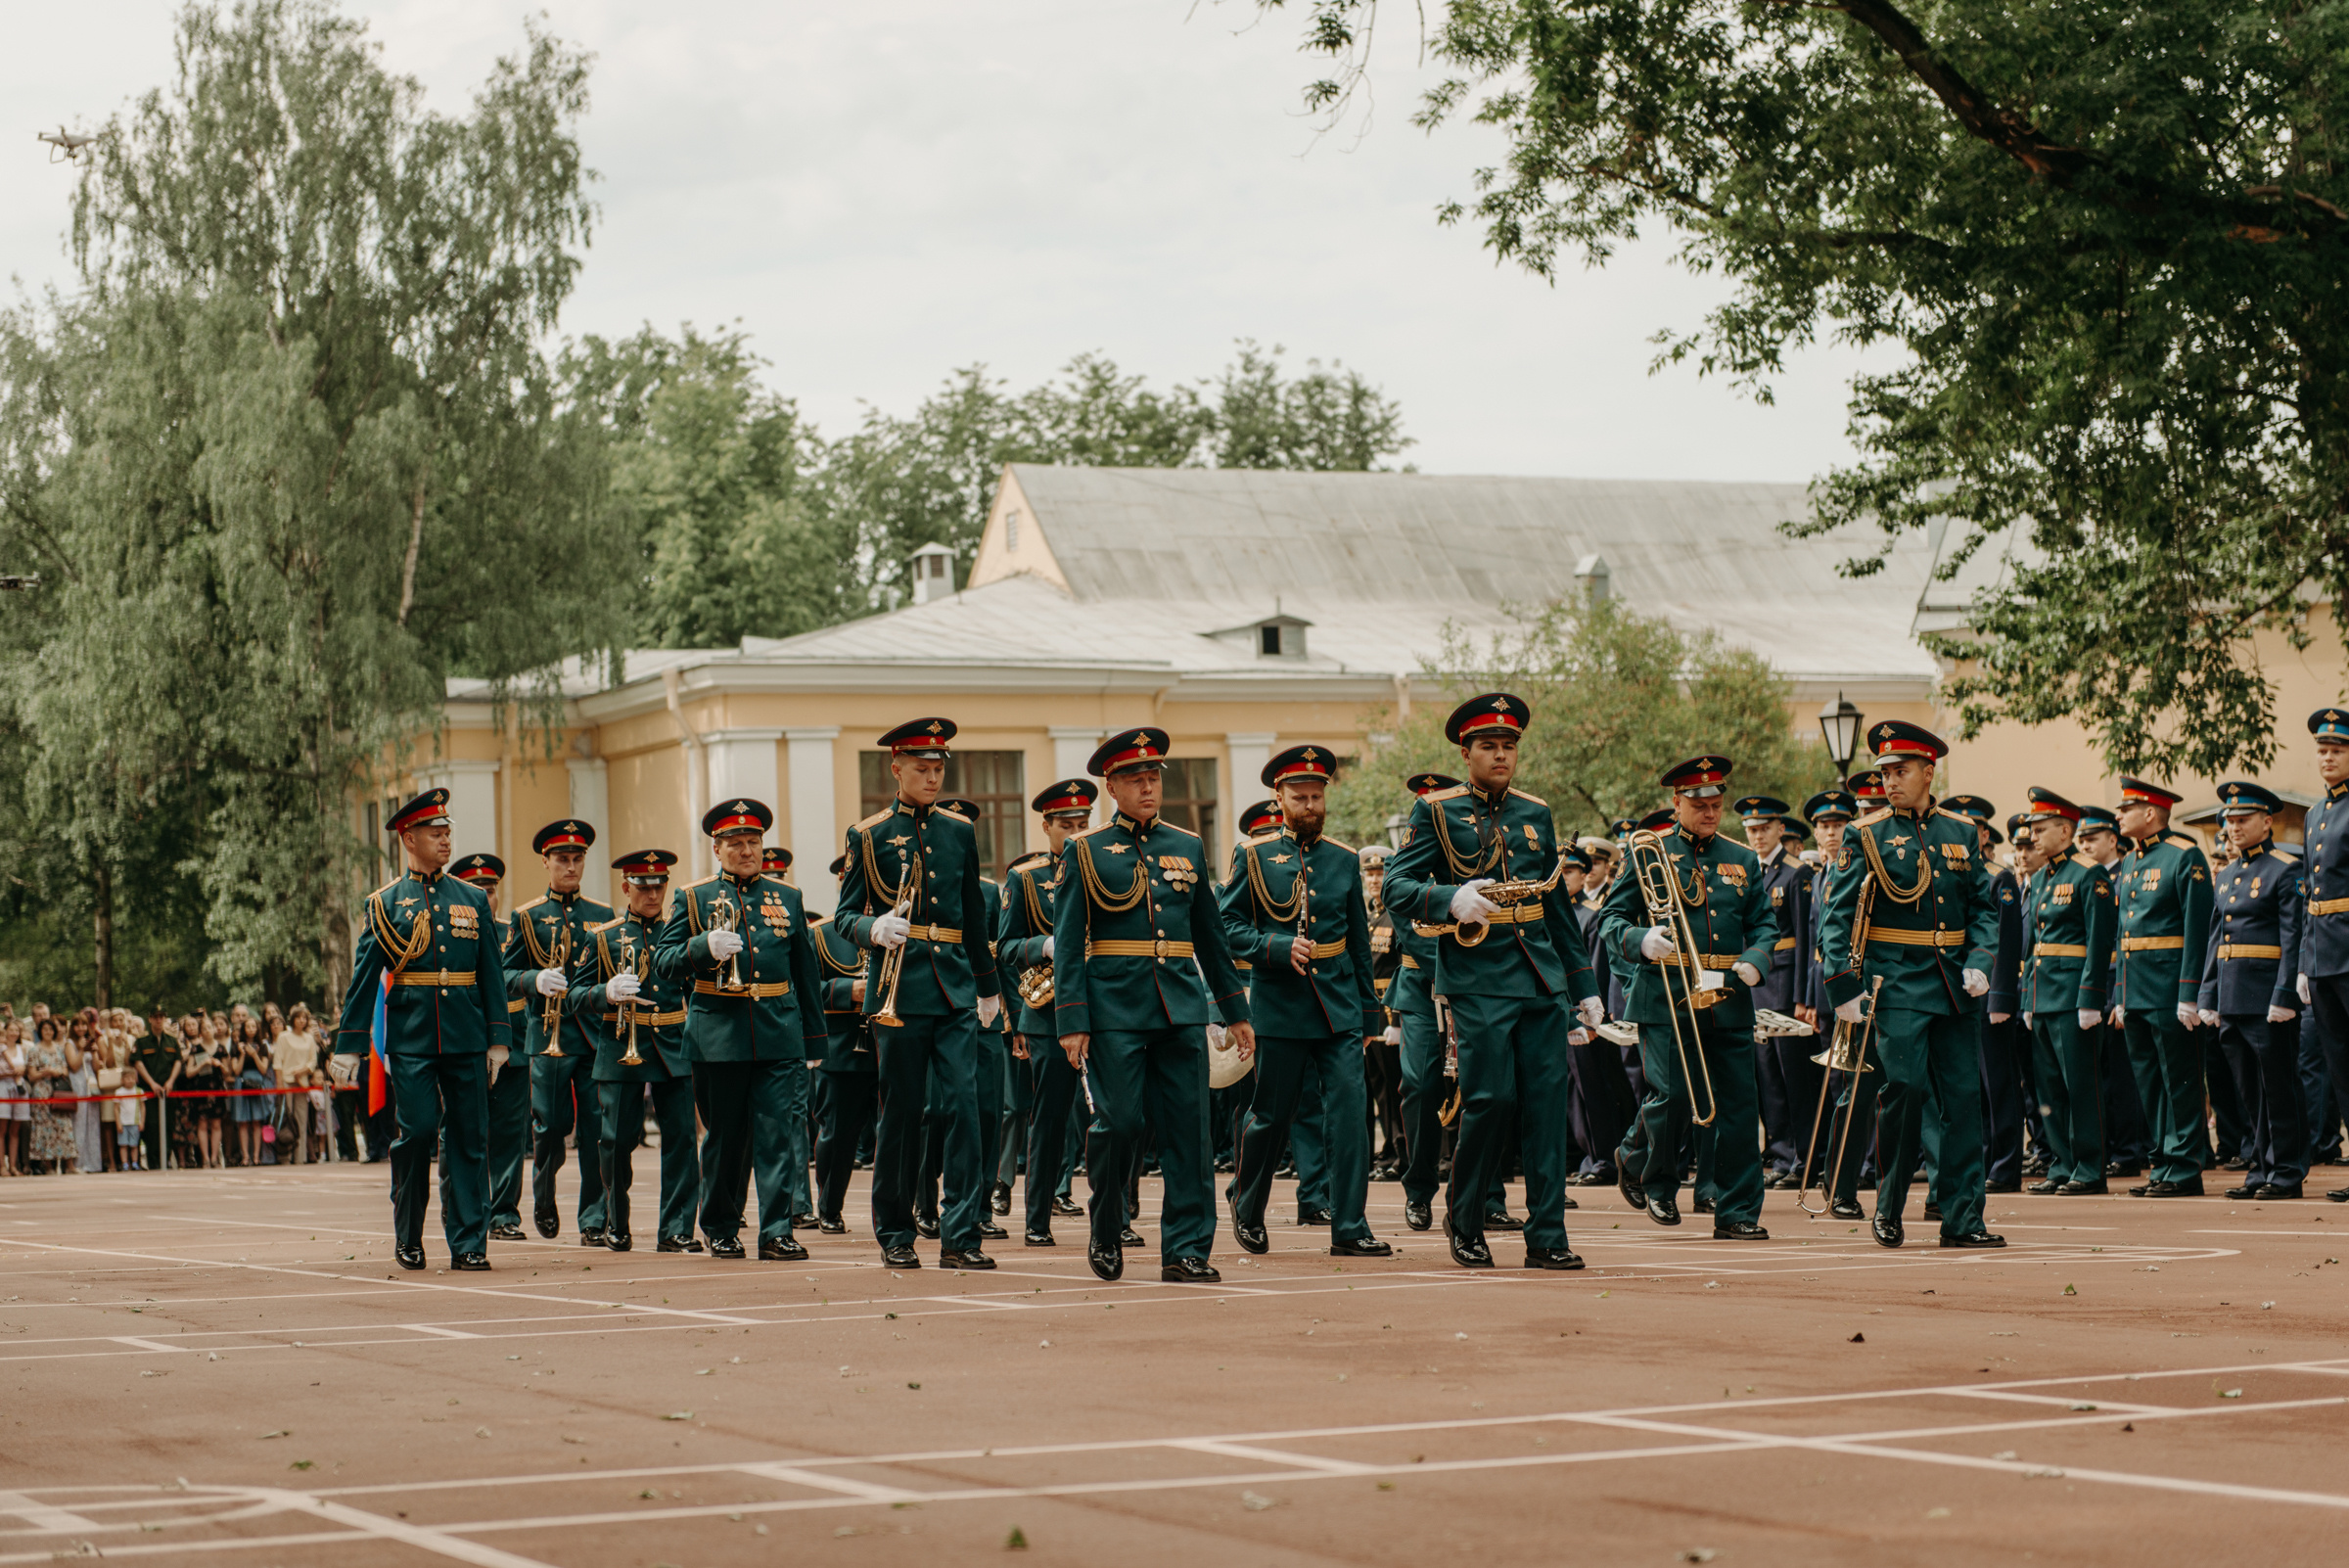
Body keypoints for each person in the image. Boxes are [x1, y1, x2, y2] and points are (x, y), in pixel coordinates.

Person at [1387, 694, 1605, 1269]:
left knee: (1546, 1106)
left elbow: (1555, 905)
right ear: (1467, 754)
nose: (1501, 755)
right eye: (1489, 746)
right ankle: (1465, 1220)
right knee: (1490, 1100)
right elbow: (1395, 887)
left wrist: (1583, 985)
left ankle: (1548, 1236)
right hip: (1477, 974)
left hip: (1540, 975)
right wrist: (1448, 897)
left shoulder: (1536, 812)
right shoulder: (1435, 810)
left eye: (1509, 746)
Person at [1052, 725, 1255, 1283]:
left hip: (1181, 1008)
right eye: (1135, 780)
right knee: (1118, 1124)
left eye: (1153, 778)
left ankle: (1186, 1251)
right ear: (1112, 787)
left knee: (1189, 1133)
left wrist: (1235, 1012)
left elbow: (1210, 936)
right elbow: (1068, 943)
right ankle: (1106, 1224)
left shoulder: (1186, 845)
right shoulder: (1085, 850)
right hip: (1114, 1009)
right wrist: (1072, 1020)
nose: (1147, 788)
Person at [1816, 722, 2004, 1249]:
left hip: (1955, 984)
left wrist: (1981, 959)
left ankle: (1963, 1220)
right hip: (1896, 983)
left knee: (1963, 1101)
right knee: (1903, 1093)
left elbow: (1983, 907)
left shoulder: (1962, 831)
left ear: (1928, 772)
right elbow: (1837, 917)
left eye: (1901, 771)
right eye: (1885, 773)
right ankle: (1890, 1207)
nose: (1891, 781)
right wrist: (1842, 987)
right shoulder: (1866, 833)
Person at [835, 721, 1004, 1270]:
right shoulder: (868, 834)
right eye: (922, 769)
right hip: (899, 989)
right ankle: (896, 1232)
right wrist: (873, 928)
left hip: (954, 988)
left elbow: (973, 914)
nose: (933, 778)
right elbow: (843, 916)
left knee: (964, 1110)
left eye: (938, 769)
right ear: (896, 768)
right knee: (904, 1114)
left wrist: (988, 987)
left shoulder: (959, 831)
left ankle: (961, 1236)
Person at [1220, 745, 1390, 1259]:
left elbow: (1358, 942)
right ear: (1280, 797)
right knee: (1271, 1116)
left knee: (1350, 1115)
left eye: (1317, 797)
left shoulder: (1342, 858)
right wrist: (1273, 946)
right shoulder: (1253, 855)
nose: (1311, 806)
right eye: (1301, 797)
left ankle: (1350, 1225)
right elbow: (1228, 926)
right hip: (1281, 1006)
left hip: (1339, 1008)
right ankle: (1247, 1203)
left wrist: (1369, 1014)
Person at [332, 787, 510, 1271]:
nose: (446, 840)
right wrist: (349, 1046)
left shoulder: (472, 898)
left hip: (466, 1033)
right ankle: (409, 1234)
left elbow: (491, 973)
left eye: (447, 831)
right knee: (418, 1134)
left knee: (469, 1138)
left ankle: (469, 1242)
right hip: (412, 1035)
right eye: (435, 833)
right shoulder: (385, 904)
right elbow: (364, 978)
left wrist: (498, 1037)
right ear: (409, 838)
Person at [1600, 754, 1774, 1243]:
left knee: (1738, 1107)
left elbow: (1764, 922)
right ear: (1677, 803)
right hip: (1666, 993)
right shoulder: (1648, 853)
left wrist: (1757, 958)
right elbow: (1611, 919)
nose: (1711, 813)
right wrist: (1640, 940)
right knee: (1674, 1095)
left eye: (1717, 804)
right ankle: (1651, 1173)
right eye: (1700, 805)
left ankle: (1737, 1210)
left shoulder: (1742, 858)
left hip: (1728, 995)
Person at [654, 798, 827, 1260]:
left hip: (778, 1031)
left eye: (753, 842)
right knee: (725, 1139)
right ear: (717, 849)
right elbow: (663, 962)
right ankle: (721, 1226)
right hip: (718, 1037)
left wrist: (813, 1039)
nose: (747, 851)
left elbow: (805, 971)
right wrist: (702, 947)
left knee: (777, 1137)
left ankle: (776, 1231)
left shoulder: (787, 897)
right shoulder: (694, 897)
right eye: (736, 843)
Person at [568, 849, 696, 1252]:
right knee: (615, 1142)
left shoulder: (679, 935)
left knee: (681, 1141)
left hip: (673, 1045)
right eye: (644, 887)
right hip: (622, 1045)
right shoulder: (603, 937)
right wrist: (604, 992)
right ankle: (615, 1220)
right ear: (626, 888)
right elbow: (574, 996)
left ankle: (676, 1230)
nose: (653, 894)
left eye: (659, 886)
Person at [997, 778, 1096, 1247]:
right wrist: (1044, 945)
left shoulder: (1108, 865)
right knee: (1050, 1118)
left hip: (1107, 1004)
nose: (1076, 833)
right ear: (1047, 827)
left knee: (1117, 1117)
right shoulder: (1026, 878)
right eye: (1066, 826)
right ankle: (1038, 1219)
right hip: (1048, 1011)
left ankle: (1118, 1216)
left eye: (1083, 824)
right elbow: (1006, 947)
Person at [506, 822, 615, 1245]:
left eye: (577, 859)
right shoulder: (528, 916)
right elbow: (504, 975)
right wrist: (533, 980)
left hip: (593, 1035)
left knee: (595, 1130)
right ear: (546, 862)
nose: (571, 867)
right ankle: (544, 1193)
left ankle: (593, 1218)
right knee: (551, 1126)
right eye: (562, 859)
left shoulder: (603, 915)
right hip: (549, 1033)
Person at [2109, 778, 2216, 1196]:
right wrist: (2120, 995)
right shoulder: (2130, 863)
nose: (2119, 815)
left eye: (2126, 809)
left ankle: (2185, 1167)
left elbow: (2197, 929)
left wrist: (2190, 993)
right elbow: (2124, 935)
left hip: (2170, 990)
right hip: (2136, 990)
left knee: (2180, 1082)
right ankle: (2162, 1164)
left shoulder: (2184, 855)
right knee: (2151, 1084)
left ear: (2151, 813)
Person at [2198, 781, 2305, 1200]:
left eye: (2243, 819)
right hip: (2232, 997)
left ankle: (2287, 1171)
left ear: (2267, 821)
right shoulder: (2226, 875)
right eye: (2230, 820)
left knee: (2278, 1088)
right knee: (2250, 1093)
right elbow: (2216, 940)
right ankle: (2260, 1168)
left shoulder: (2285, 868)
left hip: (2266, 998)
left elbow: (2292, 938)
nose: (2234, 827)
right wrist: (2208, 996)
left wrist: (2284, 994)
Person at [2016, 788, 2118, 1197]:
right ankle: (2061, 1164)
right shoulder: (2041, 877)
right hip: (2043, 995)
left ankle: (2089, 1168)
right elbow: (2034, 945)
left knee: (2080, 1086)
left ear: (2065, 830)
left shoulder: (2089, 873)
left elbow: (2099, 940)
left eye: (2041, 829)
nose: (2033, 837)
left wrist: (2091, 998)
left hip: (2074, 996)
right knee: (2049, 1090)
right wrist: (2027, 998)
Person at [1733, 794, 1813, 1189]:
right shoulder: (1748, 871)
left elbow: (1805, 939)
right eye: (1751, 830)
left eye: (1765, 828)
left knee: (1793, 1076)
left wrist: (1802, 997)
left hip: (1784, 985)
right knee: (1768, 1077)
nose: (1758, 836)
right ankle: (1781, 1155)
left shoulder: (1797, 873)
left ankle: (1805, 1157)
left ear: (1781, 829)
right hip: (1757, 986)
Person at [449, 853, 524, 1229]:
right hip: (467, 1040)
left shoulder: (514, 932)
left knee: (509, 1133)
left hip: (514, 1041)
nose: (485, 897)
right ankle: (459, 1206)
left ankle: (504, 1213)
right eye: (476, 889)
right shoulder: (451, 933)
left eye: (490, 891)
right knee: (462, 1130)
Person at [811, 853, 878, 1236]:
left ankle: (905, 1208)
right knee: (838, 1135)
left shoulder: (900, 929)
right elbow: (803, 989)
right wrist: (845, 990)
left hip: (893, 1045)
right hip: (842, 1049)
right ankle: (829, 1206)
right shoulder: (821, 933)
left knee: (903, 1132)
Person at [2299, 707, 2349, 1202]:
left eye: (2336, 750)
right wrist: (2303, 963)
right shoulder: (2315, 814)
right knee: (2340, 1066)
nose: (2327, 757)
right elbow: (2309, 896)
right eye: (2322, 750)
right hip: (2322, 956)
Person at [271, 1003, 323, 1166]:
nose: (301, 1021)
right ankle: (285, 1156)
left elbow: (313, 1061)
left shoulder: (309, 1038)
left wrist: (303, 1070)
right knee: (286, 1118)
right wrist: (279, 1084)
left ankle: (300, 1157)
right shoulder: (283, 1037)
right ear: (293, 1019)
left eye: (304, 1018)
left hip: (303, 1082)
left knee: (302, 1119)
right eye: (299, 1018)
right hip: (287, 1081)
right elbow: (277, 1062)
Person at [24, 1019, 73, 1174]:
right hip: (42, 1091)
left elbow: (65, 1070)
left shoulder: (59, 1049)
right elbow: (31, 1075)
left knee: (64, 1125)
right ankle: (48, 1165)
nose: (48, 1032)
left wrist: (56, 1072)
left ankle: (69, 1164)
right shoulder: (34, 1050)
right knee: (45, 1127)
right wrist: (45, 1073)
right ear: (40, 1031)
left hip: (58, 1090)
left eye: (51, 1029)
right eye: (45, 1029)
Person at [229, 1014, 273, 1167]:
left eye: (253, 1026)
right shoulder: (236, 1047)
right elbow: (236, 1070)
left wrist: (254, 1054)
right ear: (243, 1029)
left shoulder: (263, 1047)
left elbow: (263, 1069)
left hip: (257, 1083)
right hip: (241, 1083)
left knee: (256, 1122)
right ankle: (245, 1157)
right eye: (247, 1026)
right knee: (243, 1122)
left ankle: (256, 1156)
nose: (251, 1029)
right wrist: (242, 1053)